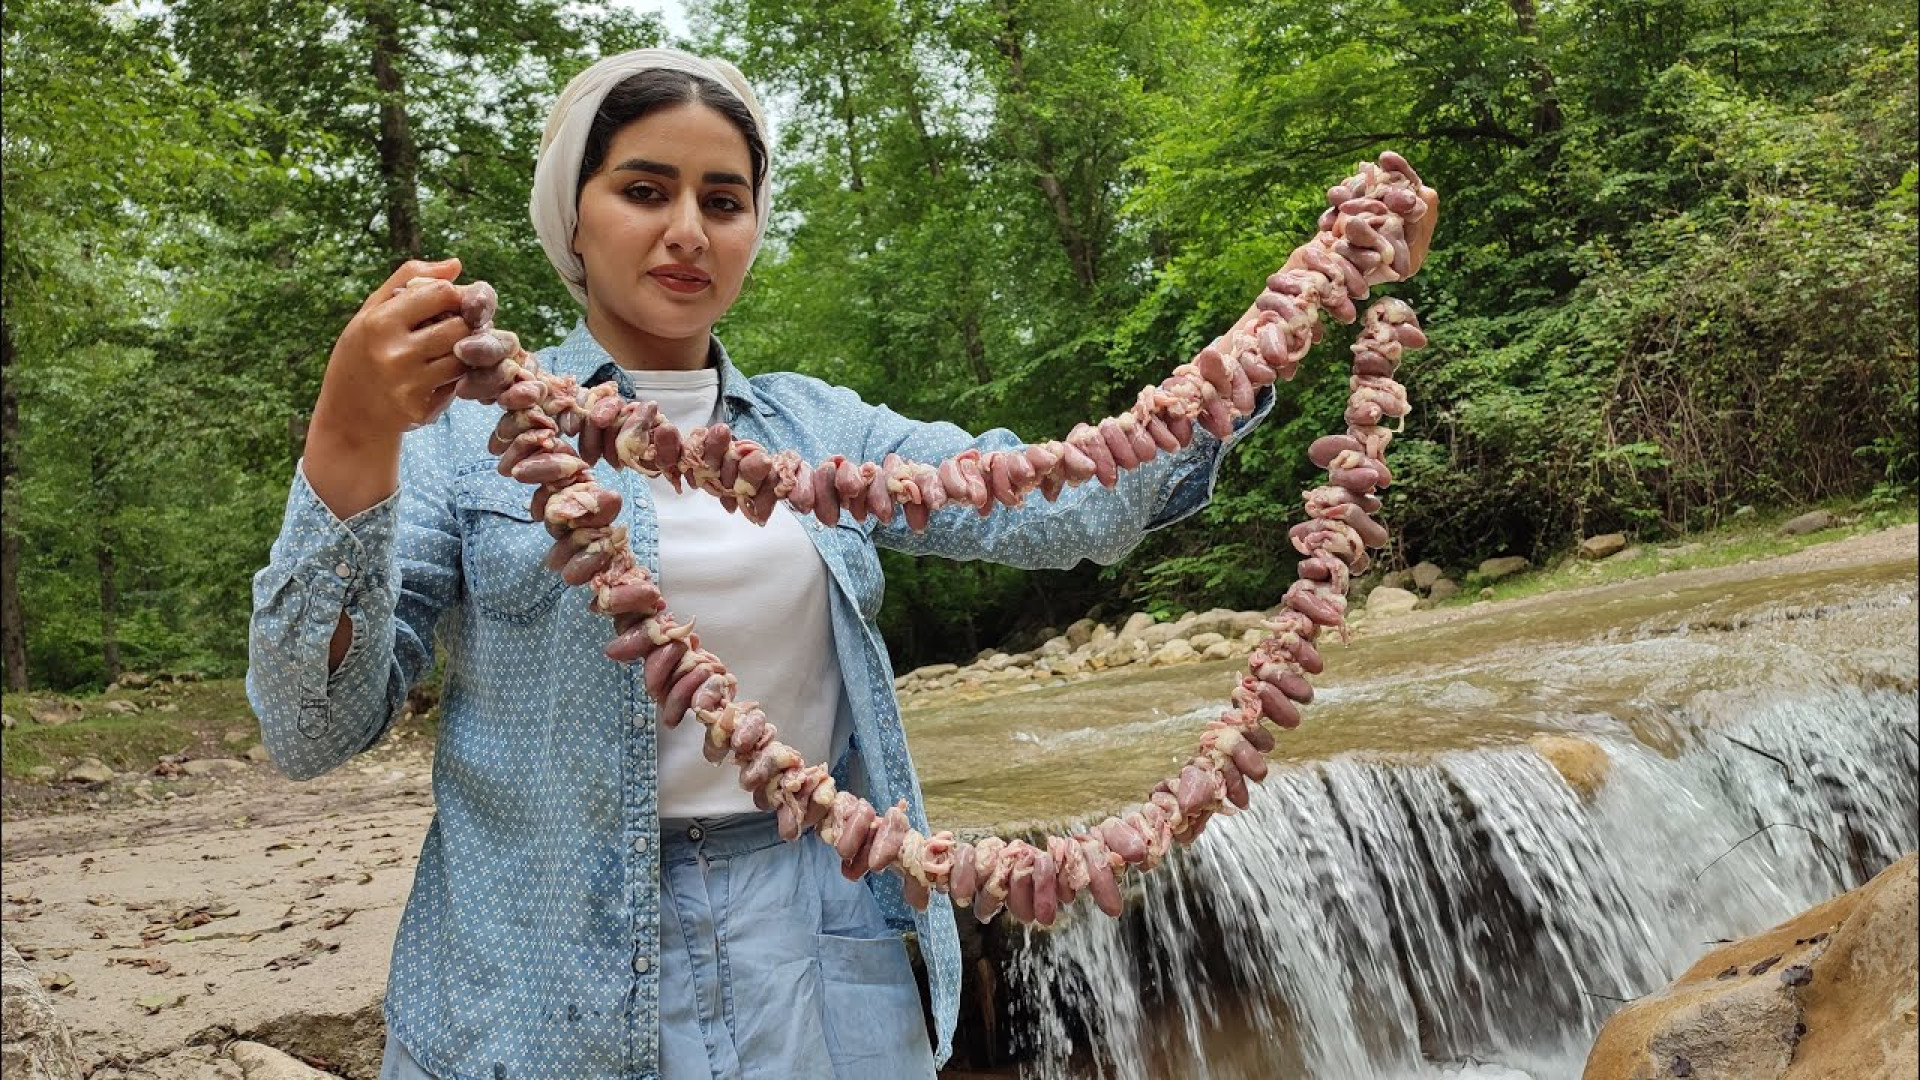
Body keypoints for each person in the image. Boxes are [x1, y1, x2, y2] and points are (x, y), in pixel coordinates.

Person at [248, 46, 1434, 1080]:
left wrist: (1304, 301)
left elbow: (1064, 503)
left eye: (724, 199)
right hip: (534, 972)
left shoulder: (820, 431)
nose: (687, 229)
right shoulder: (456, 440)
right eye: (644, 190)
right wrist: (349, 438)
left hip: (818, 944)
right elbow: (310, 727)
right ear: (573, 217)